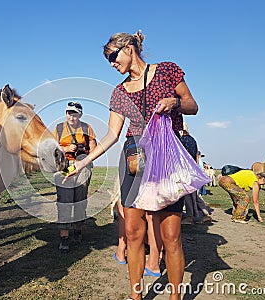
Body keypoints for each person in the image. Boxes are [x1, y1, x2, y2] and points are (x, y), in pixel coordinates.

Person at [64, 31, 199, 300]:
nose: (112, 64)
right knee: (133, 232)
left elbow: (193, 106)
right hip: (133, 158)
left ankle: (175, 297)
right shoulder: (119, 92)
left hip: (165, 157)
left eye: (113, 57)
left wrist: (175, 103)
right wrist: (83, 163)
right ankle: (136, 296)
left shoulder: (167, 71)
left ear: (128, 48)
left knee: (171, 234)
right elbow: (112, 135)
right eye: (109, 61)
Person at [53, 101, 97, 253]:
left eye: (75, 113)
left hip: (82, 167)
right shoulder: (58, 128)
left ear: (80, 114)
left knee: (80, 199)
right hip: (64, 167)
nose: (72, 116)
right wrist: (65, 149)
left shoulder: (87, 128)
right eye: (69, 113)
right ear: (66, 114)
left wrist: (84, 157)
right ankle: (64, 237)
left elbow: (94, 148)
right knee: (64, 200)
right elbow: (52, 149)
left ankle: (77, 232)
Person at [179, 125, 211, 225]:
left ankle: (189, 217)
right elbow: (196, 155)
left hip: (184, 169)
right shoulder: (192, 140)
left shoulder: (181, 140)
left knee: (187, 194)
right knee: (195, 194)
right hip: (192, 168)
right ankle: (205, 214)